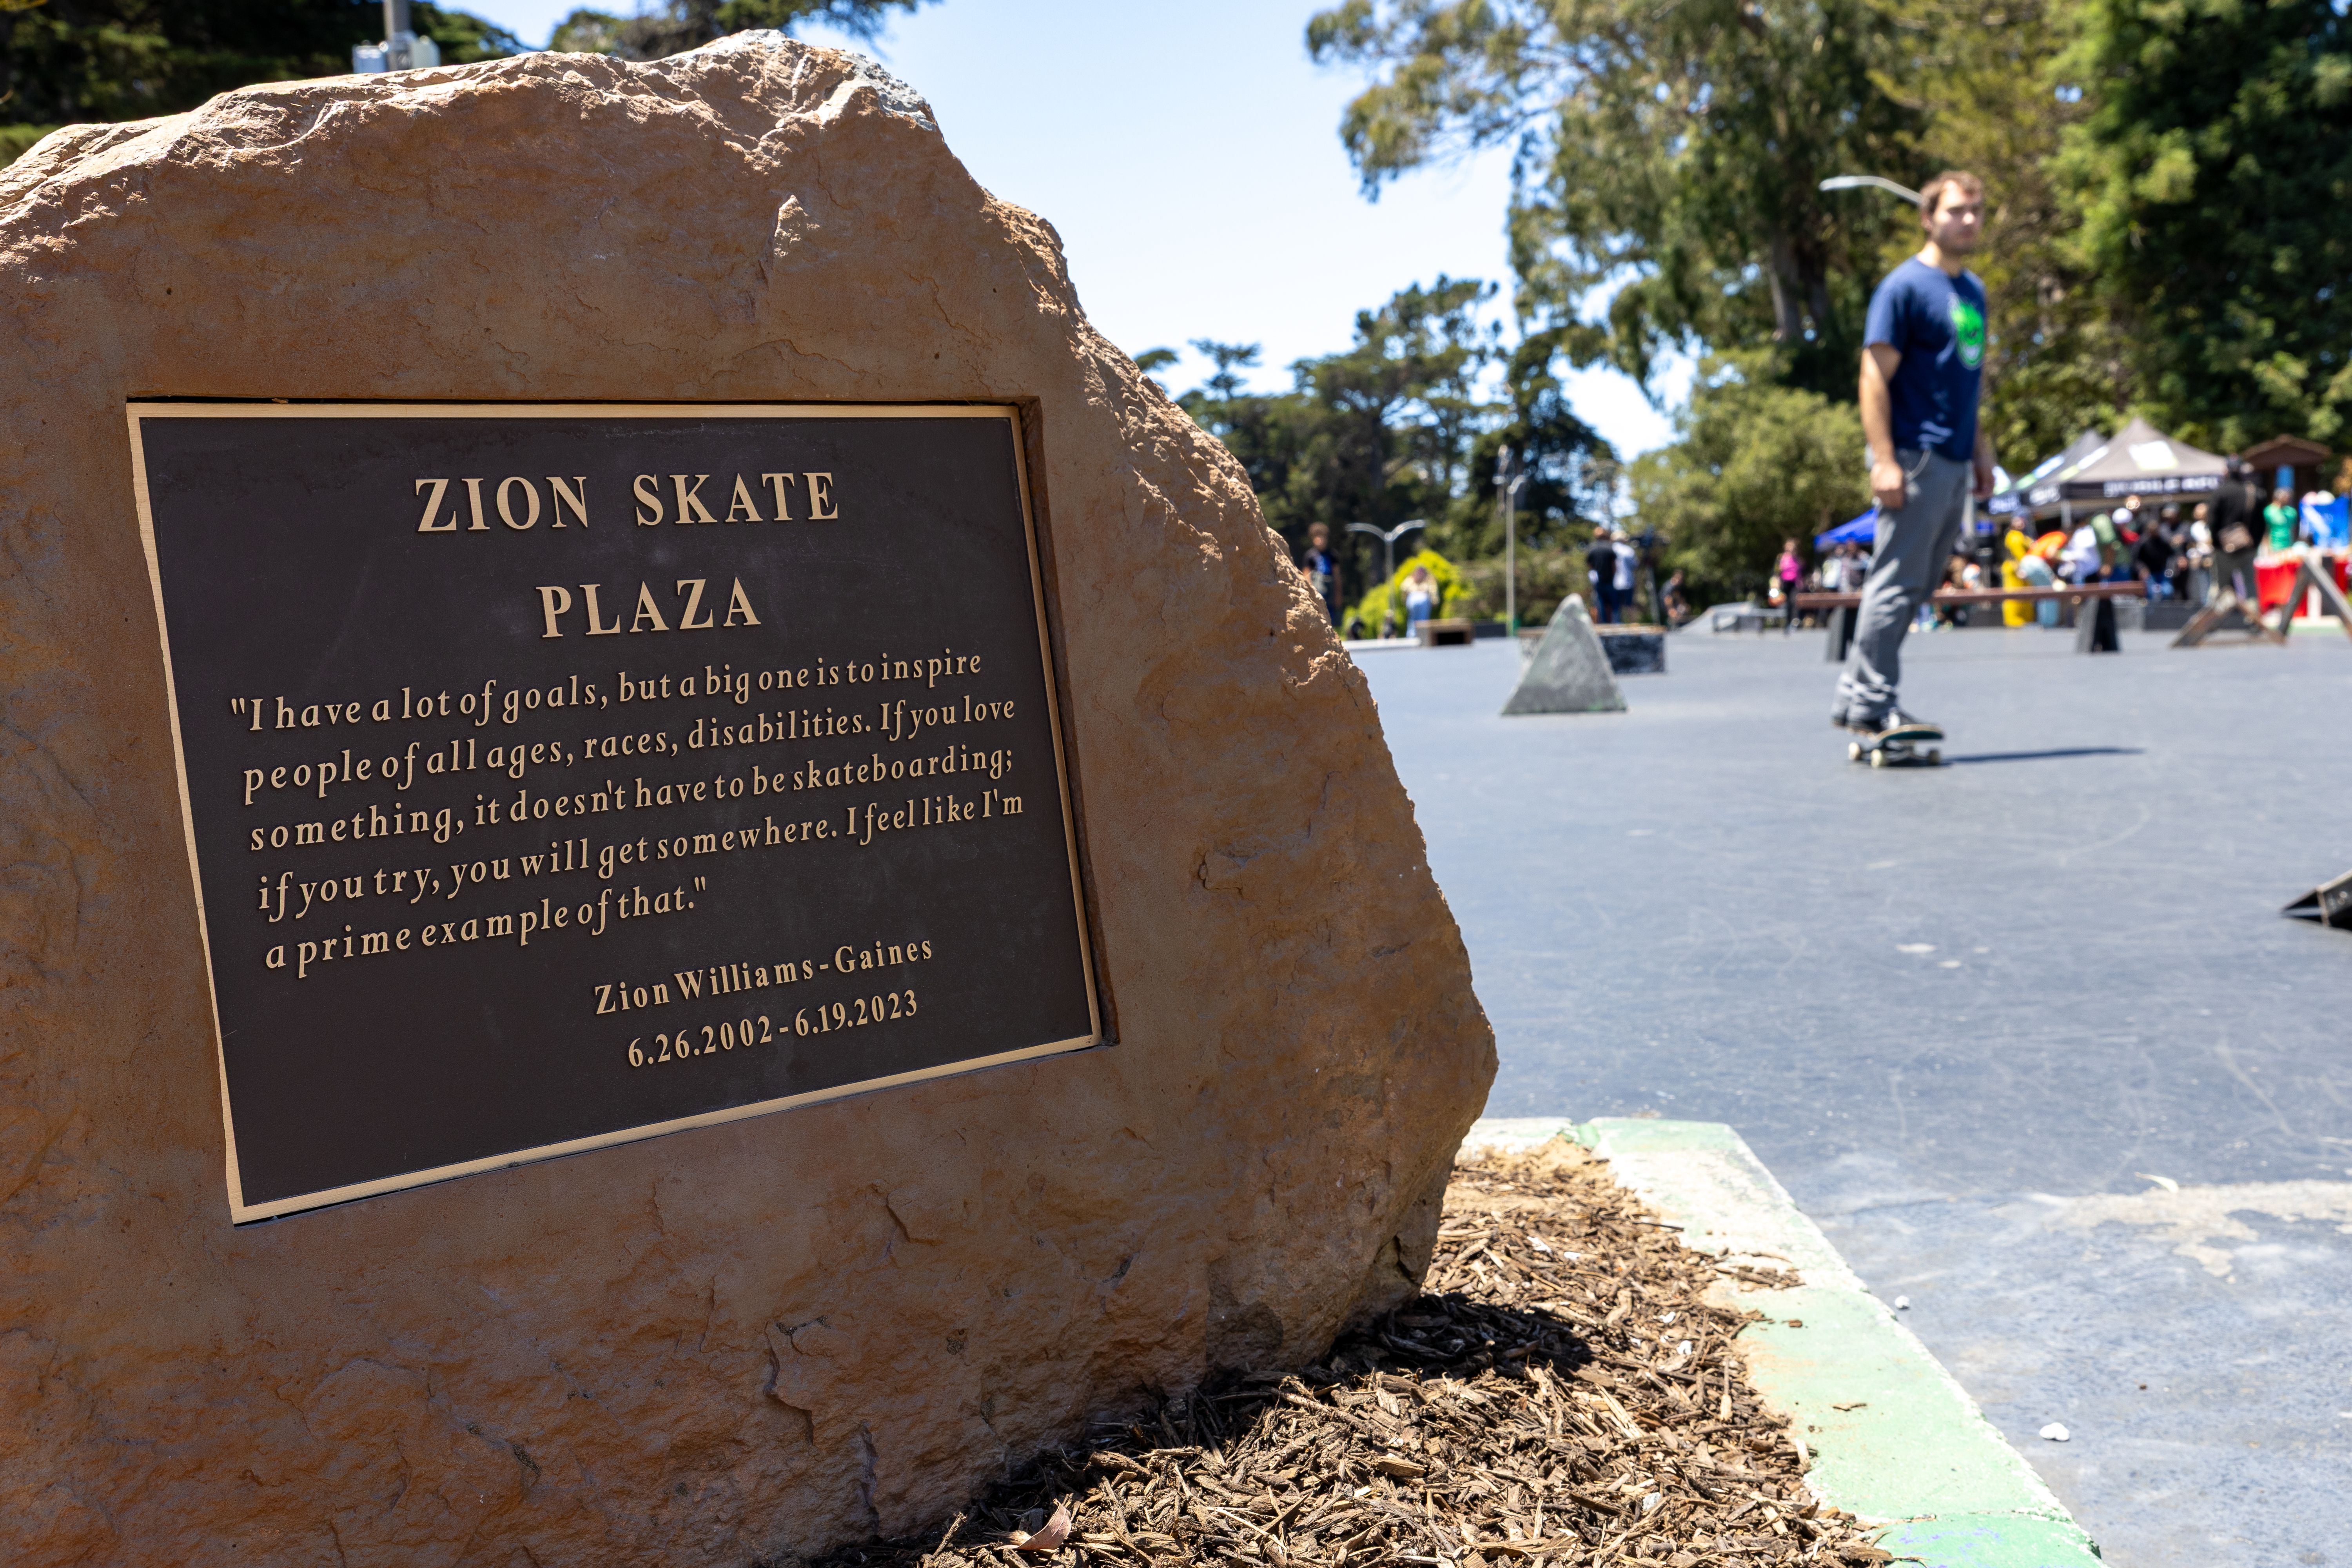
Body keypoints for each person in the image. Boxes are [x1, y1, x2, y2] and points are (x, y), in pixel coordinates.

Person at [1835, 171, 1994, 735]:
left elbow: (1969, 381)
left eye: (1976, 211)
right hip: (1914, 456)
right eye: (1956, 211)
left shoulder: (1972, 292)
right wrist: (1884, 460)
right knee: (1895, 582)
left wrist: (1982, 454)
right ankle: (1871, 704)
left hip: (1955, 459)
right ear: (1929, 218)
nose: (1969, 220)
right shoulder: (1904, 287)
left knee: (1922, 585)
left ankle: (1857, 692)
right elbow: (1873, 376)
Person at [2207, 459, 2265, 606]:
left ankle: (2218, 621)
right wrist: (2254, 544)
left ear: (2226, 471)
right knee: (2250, 586)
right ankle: (2253, 620)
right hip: (2247, 547)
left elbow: (2212, 522)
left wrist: (2217, 545)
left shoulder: (2220, 493)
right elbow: (2261, 523)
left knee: (2221, 586)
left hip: (2224, 549)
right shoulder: (2253, 492)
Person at [1300, 522, 1340, 624]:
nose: (1320, 540)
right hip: (1317, 589)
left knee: (1330, 616)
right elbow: (1306, 575)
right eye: (1317, 537)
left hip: (1330, 589)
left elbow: (1337, 576)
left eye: (1322, 537)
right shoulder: (1310, 556)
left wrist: (1338, 594)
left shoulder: (1332, 555)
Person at [2136, 507, 2176, 599]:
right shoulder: (2143, 543)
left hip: (2163, 572)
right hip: (2150, 574)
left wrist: (2170, 569)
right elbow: (2137, 560)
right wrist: (2142, 569)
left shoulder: (2163, 541)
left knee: (2168, 591)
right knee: (2152, 593)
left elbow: (2172, 555)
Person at [1586, 525, 1620, 622]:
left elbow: (1590, 565)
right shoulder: (1610, 547)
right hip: (1610, 580)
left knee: (1599, 604)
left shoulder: (1592, 548)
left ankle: (1602, 624)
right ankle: (1614, 623)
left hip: (1597, 581)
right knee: (1612, 605)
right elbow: (1614, 566)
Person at [1773, 538, 1805, 633]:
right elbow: (1777, 571)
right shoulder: (1781, 558)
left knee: (1794, 602)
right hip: (1785, 583)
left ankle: (1795, 621)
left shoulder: (1798, 559)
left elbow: (1802, 570)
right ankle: (1786, 623)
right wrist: (1777, 581)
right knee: (1785, 604)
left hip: (1795, 583)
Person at [1401, 564, 1438, 637]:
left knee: (1412, 620)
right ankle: (1423, 637)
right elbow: (1433, 591)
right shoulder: (1429, 579)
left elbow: (1404, 588)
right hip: (1423, 598)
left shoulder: (1411, 578)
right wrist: (1434, 602)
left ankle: (1412, 637)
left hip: (1412, 599)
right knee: (1423, 621)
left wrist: (1405, 601)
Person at [1612, 529, 1641, 623]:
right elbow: (1635, 565)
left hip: (1614, 582)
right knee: (1630, 605)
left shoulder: (1611, 549)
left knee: (1616, 607)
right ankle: (1633, 625)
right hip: (1628, 581)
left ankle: (1617, 626)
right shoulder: (1629, 551)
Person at [2265, 486, 2301, 554]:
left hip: (2289, 546)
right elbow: (2266, 531)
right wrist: (2267, 548)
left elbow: (2294, 529)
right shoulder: (2269, 511)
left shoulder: (2292, 512)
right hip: (2274, 546)